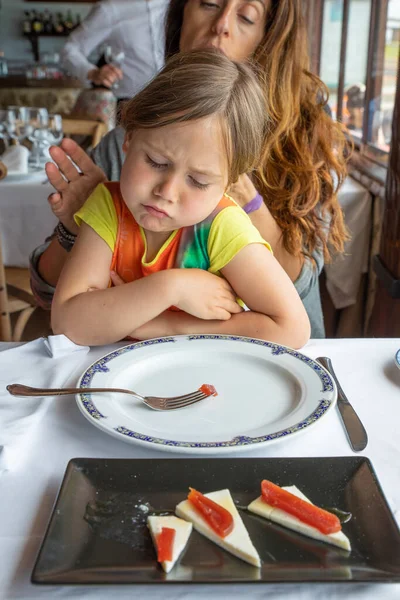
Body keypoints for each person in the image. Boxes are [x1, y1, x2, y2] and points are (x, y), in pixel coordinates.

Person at [31, 0, 350, 339]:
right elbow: (58, 309)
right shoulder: (113, 191)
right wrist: (75, 231)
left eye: (246, 16)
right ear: (130, 136)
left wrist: (160, 325)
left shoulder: (229, 215)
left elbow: (295, 317)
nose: (221, 25)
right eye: (209, 4)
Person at [51, 51, 310, 348]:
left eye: (198, 181)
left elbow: (292, 329)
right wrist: (172, 288)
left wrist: (163, 325)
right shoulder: (108, 208)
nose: (167, 192)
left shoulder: (221, 226)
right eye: (156, 162)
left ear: (230, 182)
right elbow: (67, 323)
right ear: (130, 136)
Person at [60, 0, 168, 101]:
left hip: (175, 103)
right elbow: (70, 48)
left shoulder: (178, 6)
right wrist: (92, 73)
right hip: (128, 104)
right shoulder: (111, 9)